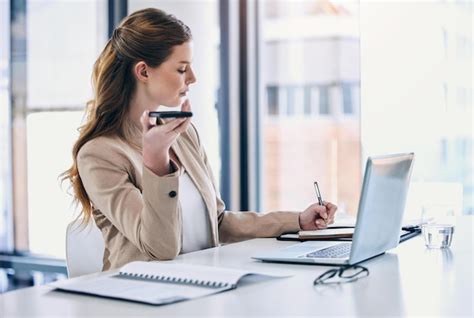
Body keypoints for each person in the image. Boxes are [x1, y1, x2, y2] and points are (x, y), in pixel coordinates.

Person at [62, 8, 337, 271]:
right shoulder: (100, 154)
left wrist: (297, 220)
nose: (193, 78)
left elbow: (217, 223)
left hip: (202, 284)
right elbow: (160, 248)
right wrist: (157, 164)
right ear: (144, 72)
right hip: (145, 297)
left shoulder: (184, 137)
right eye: (182, 69)